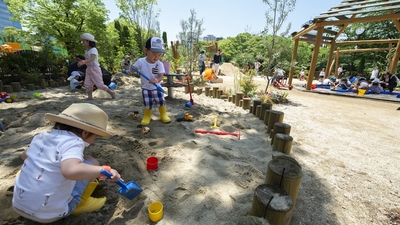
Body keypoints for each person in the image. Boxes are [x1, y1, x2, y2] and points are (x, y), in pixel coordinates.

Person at [12, 103, 122, 223]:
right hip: (50, 214)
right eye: (95, 136)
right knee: (91, 162)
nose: (94, 140)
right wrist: (103, 170)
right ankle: (81, 203)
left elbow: (24, 156)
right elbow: (71, 171)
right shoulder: (74, 141)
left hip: (18, 205)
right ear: (85, 133)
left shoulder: (40, 137)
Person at [131, 37, 171, 126]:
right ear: (146, 50)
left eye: (159, 55)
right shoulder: (141, 61)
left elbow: (161, 76)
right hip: (146, 88)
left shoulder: (159, 64)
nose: (157, 57)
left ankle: (163, 114)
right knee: (147, 102)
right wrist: (132, 69)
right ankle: (147, 116)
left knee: (161, 101)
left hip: (157, 87)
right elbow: (133, 70)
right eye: (154, 54)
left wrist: (156, 80)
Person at [78, 33, 115, 100]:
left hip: (95, 69)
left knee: (99, 85)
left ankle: (111, 93)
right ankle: (90, 96)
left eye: (83, 41)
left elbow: (92, 58)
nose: (82, 43)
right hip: (89, 69)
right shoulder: (86, 51)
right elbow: (87, 60)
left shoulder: (94, 49)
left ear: (88, 41)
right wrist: (82, 62)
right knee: (87, 84)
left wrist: (83, 62)